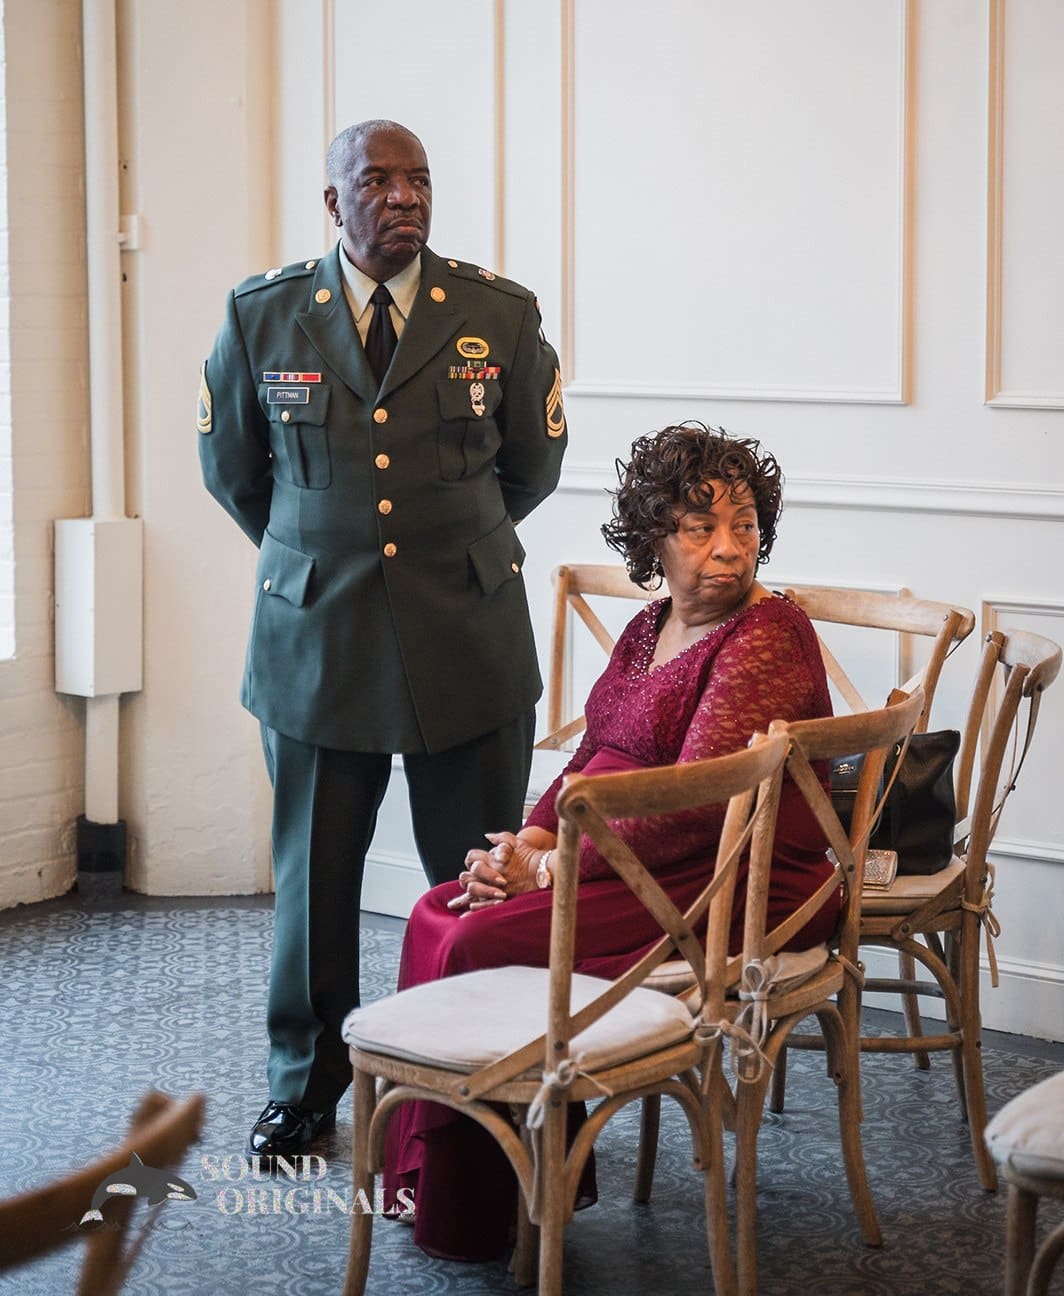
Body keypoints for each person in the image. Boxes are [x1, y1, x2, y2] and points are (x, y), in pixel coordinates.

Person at [377, 423, 839, 1262]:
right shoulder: (650, 625)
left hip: (728, 875)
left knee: (480, 939)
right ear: (654, 538)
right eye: (700, 528)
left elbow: (694, 805)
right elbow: (594, 751)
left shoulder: (767, 634)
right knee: (436, 910)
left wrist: (550, 869)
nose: (729, 548)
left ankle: (486, 1207)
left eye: (744, 524)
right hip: (623, 850)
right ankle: (432, 1181)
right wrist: (528, 839)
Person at [198, 119, 567, 1159]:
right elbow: (235, 472)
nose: (403, 198)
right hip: (316, 639)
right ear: (333, 201)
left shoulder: (496, 313)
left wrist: (442, 548)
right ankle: (304, 1085)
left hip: (466, 633)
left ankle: (487, 1080)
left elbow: (531, 465)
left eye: (418, 181)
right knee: (315, 883)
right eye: (376, 182)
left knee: (479, 876)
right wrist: (328, 549)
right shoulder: (264, 315)